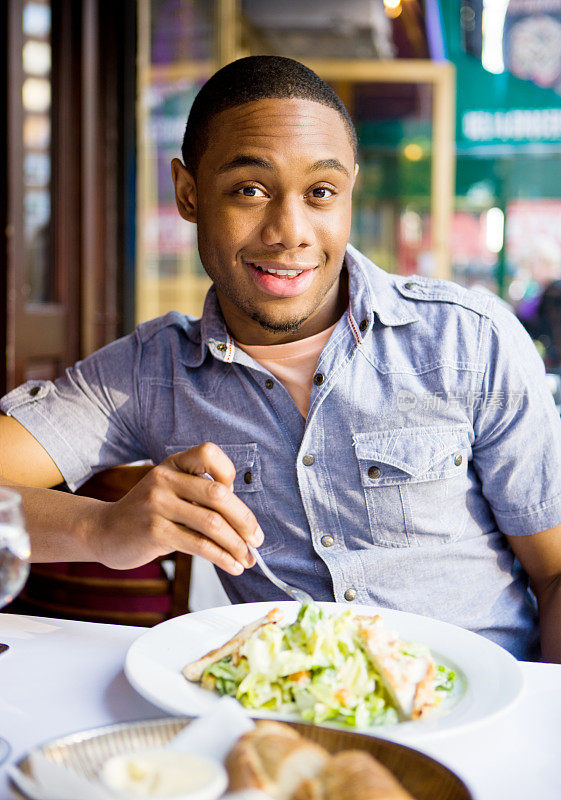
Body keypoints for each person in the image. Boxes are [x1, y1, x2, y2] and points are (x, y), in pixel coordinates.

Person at [2, 56, 561, 663]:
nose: (290, 231)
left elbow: (554, 577)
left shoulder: (469, 342)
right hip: (287, 724)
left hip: (481, 713)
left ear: (350, 191)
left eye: (321, 193)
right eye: (250, 189)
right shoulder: (149, 375)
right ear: (189, 194)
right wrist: (102, 530)